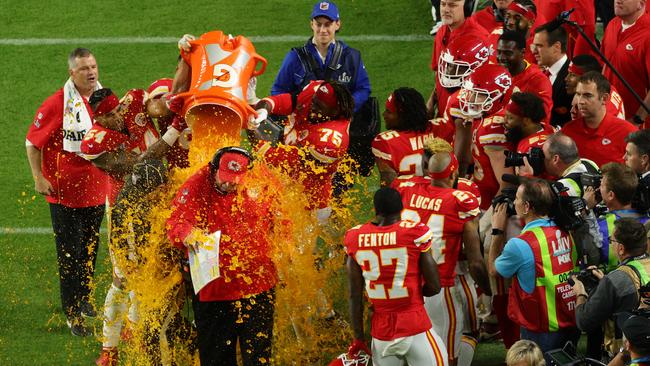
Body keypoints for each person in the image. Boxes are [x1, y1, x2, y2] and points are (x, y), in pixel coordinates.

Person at [25, 47, 109, 336]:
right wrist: (38, 177)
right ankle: (73, 314)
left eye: (94, 66)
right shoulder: (56, 104)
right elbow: (32, 143)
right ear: (72, 73)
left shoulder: (105, 101)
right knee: (70, 256)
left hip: (97, 190)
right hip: (64, 194)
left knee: (89, 250)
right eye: (85, 68)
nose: (92, 72)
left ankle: (84, 298)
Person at [166, 146, 278, 365]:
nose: (229, 184)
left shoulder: (262, 179)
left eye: (236, 179)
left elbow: (282, 217)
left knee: (259, 357)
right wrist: (188, 234)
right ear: (214, 168)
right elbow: (176, 222)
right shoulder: (197, 184)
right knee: (217, 359)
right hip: (214, 289)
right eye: (225, 178)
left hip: (258, 285)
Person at [393, 138, 491, 366]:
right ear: (453, 174)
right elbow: (475, 262)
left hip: (405, 282)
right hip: (440, 286)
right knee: (447, 355)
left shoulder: (406, 187)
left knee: (410, 348)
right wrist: (489, 290)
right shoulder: (460, 200)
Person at [344, 187, 449, 366]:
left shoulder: (354, 237)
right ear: (401, 208)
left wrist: (359, 338)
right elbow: (435, 286)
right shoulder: (414, 233)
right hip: (415, 326)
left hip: (381, 333)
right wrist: (414, 294)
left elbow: (355, 296)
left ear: (376, 210)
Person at [271, 1, 375, 181]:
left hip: (337, 134)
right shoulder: (295, 57)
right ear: (312, 24)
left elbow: (363, 89)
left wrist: (344, 109)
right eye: (318, 24)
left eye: (327, 24)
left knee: (337, 185)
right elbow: (278, 90)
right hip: (303, 133)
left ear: (337, 24)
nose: (323, 30)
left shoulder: (352, 57)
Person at [489, 178, 579, 359]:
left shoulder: (520, 244)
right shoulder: (565, 230)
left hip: (541, 330)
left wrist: (497, 230)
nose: (514, 203)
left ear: (527, 206)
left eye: (517, 198)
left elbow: (493, 270)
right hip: (571, 322)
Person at [252, 80, 353, 216]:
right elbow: (286, 101)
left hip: (309, 205)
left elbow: (288, 163)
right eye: (314, 101)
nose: (312, 107)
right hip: (285, 179)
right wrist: (262, 109)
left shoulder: (330, 142)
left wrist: (257, 141)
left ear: (335, 111)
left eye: (319, 106)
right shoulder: (313, 95)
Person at [572, 218, 650, 358]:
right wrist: (605, 283)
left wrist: (580, 293)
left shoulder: (615, 280)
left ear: (621, 248)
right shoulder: (645, 265)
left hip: (625, 355)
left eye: (611, 240)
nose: (611, 244)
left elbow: (584, 321)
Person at [560, 72, 638, 167]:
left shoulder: (628, 132)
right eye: (578, 94)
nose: (580, 101)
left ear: (604, 98)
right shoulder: (568, 131)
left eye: (587, 96)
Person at [371, 88, 446, 186]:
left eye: (389, 112)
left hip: (410, 198)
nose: (384, 114)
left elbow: (389, 188)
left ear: (402, 116)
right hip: (440, 194)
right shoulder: (440, 127)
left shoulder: (384, 142)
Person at [585, 163, 650, 272]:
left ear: (610, 195)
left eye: (601, 185)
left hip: (611, 283)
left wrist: (586, 208)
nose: (598, 188)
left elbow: (591, 256)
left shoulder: (601, 226)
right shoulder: (647, 219)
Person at [429, 0, 488, 118]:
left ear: (467, 8)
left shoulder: (478, 40)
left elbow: (484, 89)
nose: (445, 10)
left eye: (452, 5)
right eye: (443, 4)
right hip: (443, 114)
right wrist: (431, 102)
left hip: (464, 117)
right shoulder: (442, 31)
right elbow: (440, 75)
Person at [601, 0, 650, 125]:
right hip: (608, 115)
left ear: (641, 4)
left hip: (637, 123)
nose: (618, 0)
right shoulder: (612, 25)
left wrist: (638, 119)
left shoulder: (647, 33)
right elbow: (606, 64)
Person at [497, 30, 553, 121]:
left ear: (522, 53)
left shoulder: (538, 80)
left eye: (508, 53)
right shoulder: (495, 73)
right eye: (499, 52)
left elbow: (542, 119)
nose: (501, 58)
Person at [531, 22, 572, 127]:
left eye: (539, 46)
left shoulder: (574, 78)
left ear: (556, 47)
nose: (534, 51)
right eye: (534, 46)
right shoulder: (539, 73)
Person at [564, 54, 626, 119]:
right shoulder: (605, 88)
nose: (566, 78)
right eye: (568, 73)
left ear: (587, 77)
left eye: (573, 75)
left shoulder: (599, 106)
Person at [503, 92, 550, 168]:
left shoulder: (532, 149)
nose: (504, 121)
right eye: (505, 116)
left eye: (510, 118)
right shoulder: (547, 128)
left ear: (526, 121)